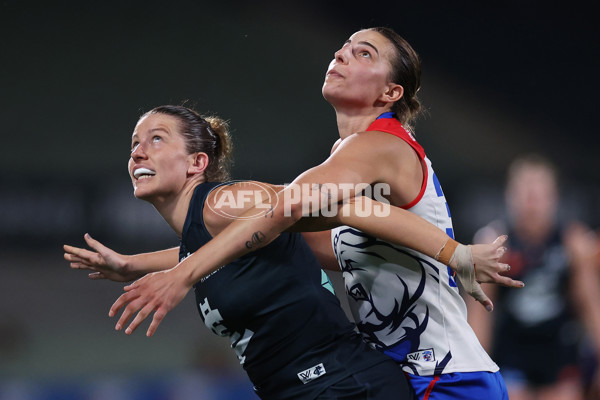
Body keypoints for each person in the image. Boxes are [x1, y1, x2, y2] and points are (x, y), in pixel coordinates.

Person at [68, 27, 523, 399]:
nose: (342, 55)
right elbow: (280, 235)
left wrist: (455, 252)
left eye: (362, 53)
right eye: (342, 47)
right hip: (400, 371)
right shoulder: (347, 159)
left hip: (445, 378)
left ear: (391, 91)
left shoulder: (380, 146)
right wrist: (134, 265)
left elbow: (287, 208)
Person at [467, 154, 600, 400]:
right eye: (525, 195)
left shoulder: (574, 242)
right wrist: (475, 368)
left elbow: (590, 304)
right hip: (512, 349)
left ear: (554, 199)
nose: (531, 205)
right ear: (509, 197)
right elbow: (480, 313)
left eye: (538, 196)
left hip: (559, 351)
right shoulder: (492, 243)